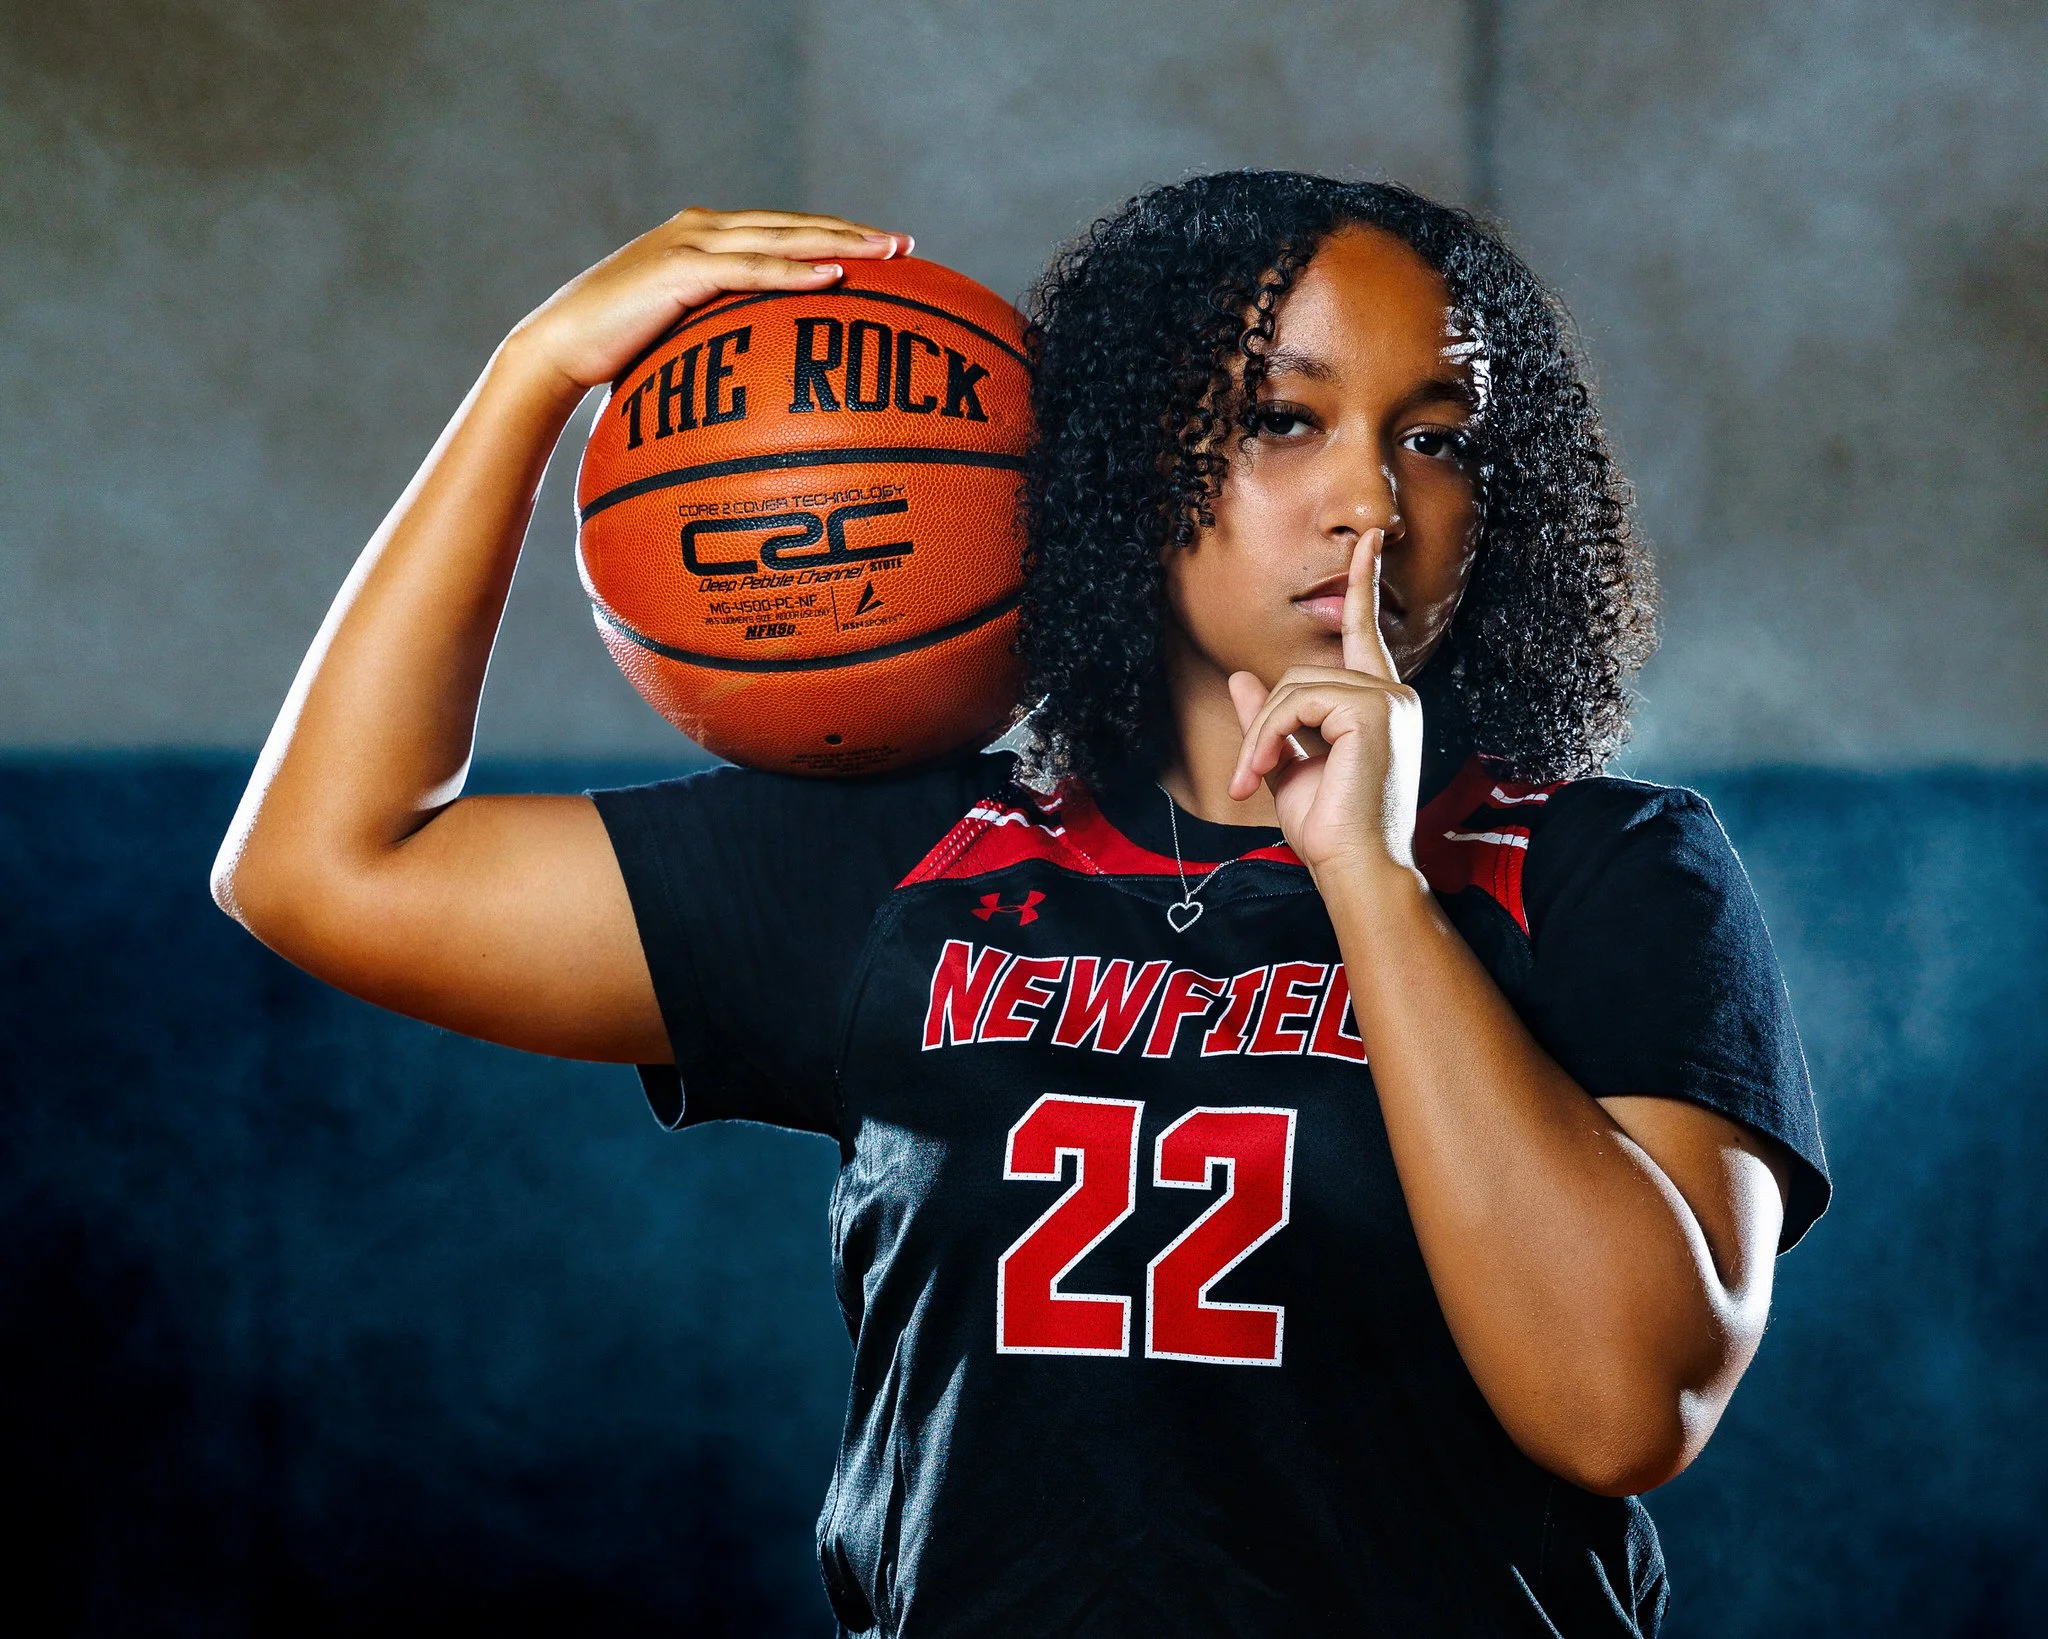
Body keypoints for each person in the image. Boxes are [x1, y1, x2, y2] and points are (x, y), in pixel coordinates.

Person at [213, 172, 1828, 1636]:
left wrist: (1370, 881)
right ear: (1130, 457)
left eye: (1439, 435)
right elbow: (322, 866)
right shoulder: (919, 861)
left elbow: (1622, 1409)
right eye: (1283, 417)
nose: (1372, 501)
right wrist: (532, 378)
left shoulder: (1608, 868)